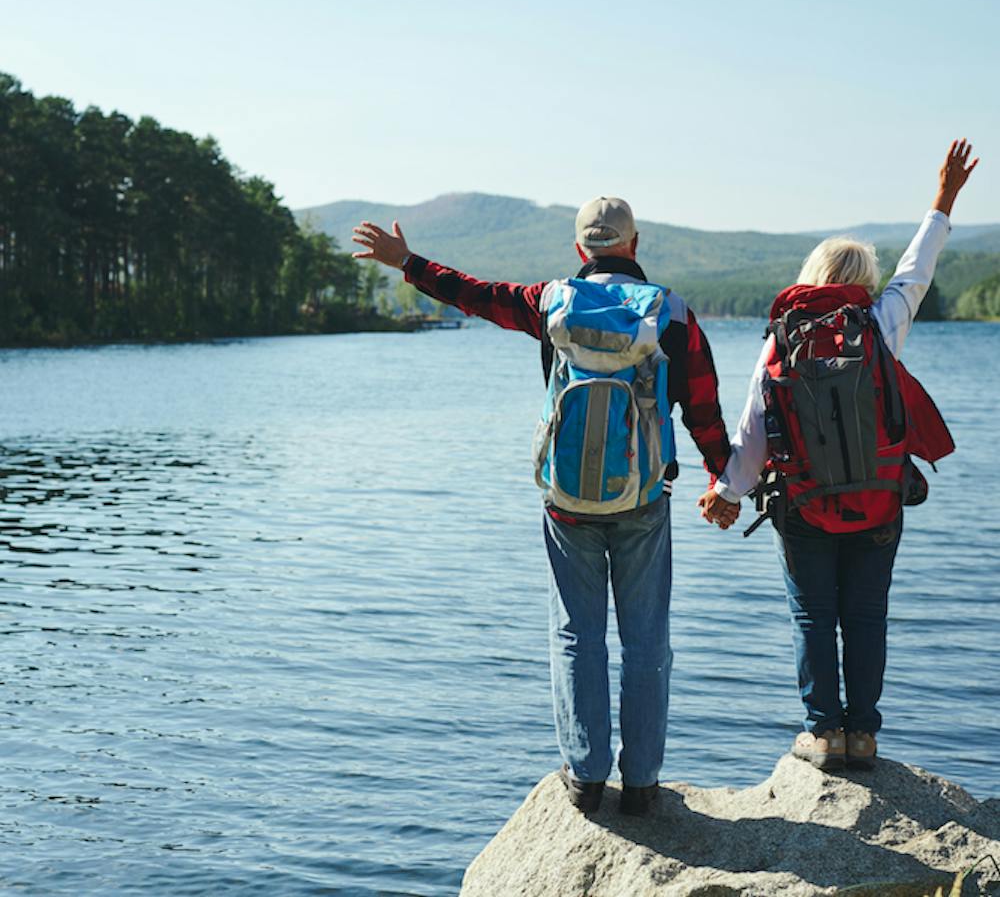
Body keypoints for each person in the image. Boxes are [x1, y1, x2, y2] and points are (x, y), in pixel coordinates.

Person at [352, 197, 734, 815]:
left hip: (566, 500)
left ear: (580, 250)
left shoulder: (550, 300)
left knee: (576, 633)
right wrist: (725, 481)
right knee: (646, 640)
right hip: (644, 500)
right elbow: (705, 411)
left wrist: (409, 263)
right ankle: (641, 784)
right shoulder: (673, 313)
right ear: (635, 246)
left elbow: (475, 295)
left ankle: (584, 777)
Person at [699, 140, 979, 771]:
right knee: (867, 618)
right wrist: (943, 198)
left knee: (813, 617)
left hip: (802, 507)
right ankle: (865, 735)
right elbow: (918, 270)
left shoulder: (782, 339)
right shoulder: (879, 325)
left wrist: (725, 493)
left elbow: (752, 430)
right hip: (878, 503)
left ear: (812, 276)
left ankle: (823, 734)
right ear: (863, 285)